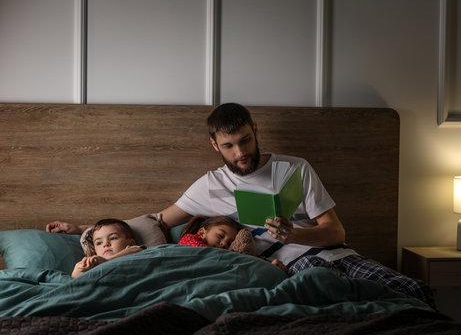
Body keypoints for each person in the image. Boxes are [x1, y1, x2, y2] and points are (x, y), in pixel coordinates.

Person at [48, 103, 434, 308]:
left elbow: (336, 231)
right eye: (229, 146)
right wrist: (82, 229)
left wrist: (295, 232)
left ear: (255, 133)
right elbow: (156, 221)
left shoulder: (293, 168)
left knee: (413, 293)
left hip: (336, 253)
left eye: (246, 141)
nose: (241, 152)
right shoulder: (210, 185)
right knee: (340, 302)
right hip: (293, 266)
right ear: (214, 145)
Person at [71, 219, 144, 278]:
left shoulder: (132, 250)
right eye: (99, 243)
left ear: (131, 243)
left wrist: (107, 260)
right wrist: (79, 270)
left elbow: (136, 250)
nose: (105, 244)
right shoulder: (93, 264)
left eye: (113, 238)